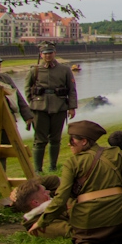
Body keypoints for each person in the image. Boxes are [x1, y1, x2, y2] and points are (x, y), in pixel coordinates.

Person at [29, 120, 122, 244]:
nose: (69, 144)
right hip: (120, 218)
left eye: (72, 140)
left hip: (89, 223)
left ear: (84, 141)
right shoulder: (116, 153)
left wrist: (41, 222)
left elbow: (61, 198)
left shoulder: (72, 163)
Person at [25, 42, 77, 173]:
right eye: (45, 53)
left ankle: (53, 166)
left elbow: (72, 90)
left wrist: (72, 107)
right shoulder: (34, 70)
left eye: (50, 53)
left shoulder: (65, 70)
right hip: (39, 107)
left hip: (59, 106)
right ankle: (38, 169)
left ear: (55, 53)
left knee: (55, 138)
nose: (48, 56)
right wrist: (32, 103)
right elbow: (27, 88)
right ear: (41, 55)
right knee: (39, 140)